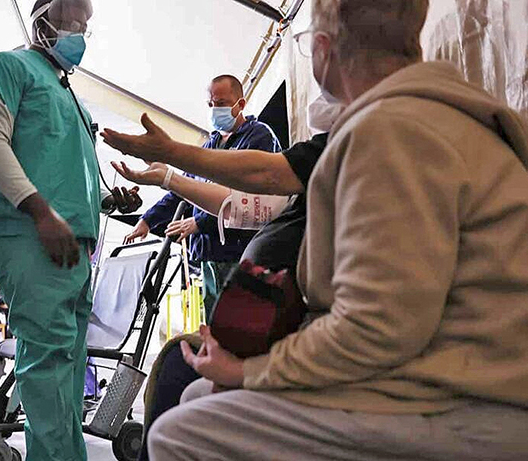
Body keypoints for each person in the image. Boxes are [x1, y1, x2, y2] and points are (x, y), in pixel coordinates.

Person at [144, 0, 528, 459]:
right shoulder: (452, 116)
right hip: (459, 372)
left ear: (323, 50)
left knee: (178, 433)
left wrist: (252, 371)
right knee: (195, 396)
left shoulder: (390, 131)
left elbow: (376, 328)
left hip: (463, 396)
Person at [105, 99, 339, 460]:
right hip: (274, 322)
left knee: (177, 405)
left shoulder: (353, 151)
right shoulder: (324, 163)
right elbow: (244, 204)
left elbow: (263, 175)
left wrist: (249, 371)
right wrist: (168, 177)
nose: (214, 107)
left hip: (293, 332)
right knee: (176, 368)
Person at [0, 0, 141, 459]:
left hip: (75, 243)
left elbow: (62, 169)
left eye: (85, 25)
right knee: (47, 365)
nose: (78, 33)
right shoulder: (8, 67)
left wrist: (108, 200)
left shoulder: (72, 97)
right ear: (42, 22)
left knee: (69, 369)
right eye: (70, 22)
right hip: (30, 233)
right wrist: (40, 211)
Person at [124, 75, 282, 321]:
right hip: (206, 254)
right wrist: (147, 220)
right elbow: (183, 188)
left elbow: (251, 196)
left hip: (237, 253)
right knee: (211, 326)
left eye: (221, 102)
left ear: (240, 104)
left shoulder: (258, 137)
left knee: (236, 327)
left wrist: (199, 223)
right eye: (210, 104)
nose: (214, 109)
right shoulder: (210, 145)